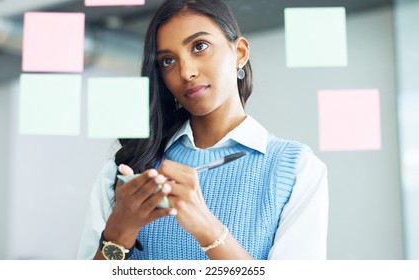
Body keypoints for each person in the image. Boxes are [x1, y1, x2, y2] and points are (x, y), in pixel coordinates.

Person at [77, 0, 328, 260]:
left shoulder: (296, 169)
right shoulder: (127, 169)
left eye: (200, 46)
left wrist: (207, 229)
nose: (186, 72)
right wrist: (120, 230)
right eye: (168, 61)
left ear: (239, 52)